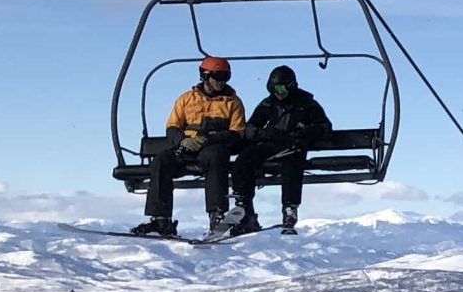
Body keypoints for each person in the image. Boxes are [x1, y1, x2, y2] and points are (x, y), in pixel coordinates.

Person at [131, 55, 245, 238]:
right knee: (162, 161)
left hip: (212, 148)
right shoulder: (187, 99)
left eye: (225, 77)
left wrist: (208, 140)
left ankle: (217, 213)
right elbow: (173, 126)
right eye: (218, 77)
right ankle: (161, 219)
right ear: (205, 76)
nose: (221, 82)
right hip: (188, 147)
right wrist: (182, 141)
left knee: (216, 158)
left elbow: (236, 133)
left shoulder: (232, 102)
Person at [232, 64, 332, 235]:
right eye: (273, 89)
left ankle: (289, 208)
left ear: (291, 85)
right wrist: (264, 133)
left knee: (292, 164)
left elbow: (325, 127)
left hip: (294, 146)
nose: (278, 93)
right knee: (244, 160)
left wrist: (307, 132)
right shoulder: (268, 104)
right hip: (271, 145)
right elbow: (250, 127)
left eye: (280, 88)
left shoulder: (307, 104)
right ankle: (244, 207)